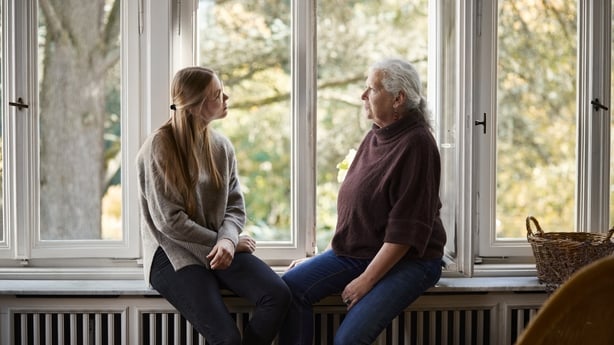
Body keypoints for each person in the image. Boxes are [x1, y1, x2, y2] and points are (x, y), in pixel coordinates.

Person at [278, 58, 447, 345]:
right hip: (360, 252)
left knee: (348, 340)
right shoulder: (377, 135)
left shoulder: (417, 144)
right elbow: (360, 213)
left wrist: (366, 281)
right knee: (288, 289)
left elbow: (404, 233)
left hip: (410, 261)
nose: (363, 95)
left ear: (398, 99)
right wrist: (322, 259)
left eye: (371, 88)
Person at [136, 66, 291, 345]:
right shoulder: (158, 147)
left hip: (219, 247)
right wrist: (222, 243)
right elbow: (169, 221)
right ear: (195, 106)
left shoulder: (221, 146)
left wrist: (228, 241)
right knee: (227, 338)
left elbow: (235, 206)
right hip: (172, 252)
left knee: (278, 295)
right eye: (218, 94)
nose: (227, 97)